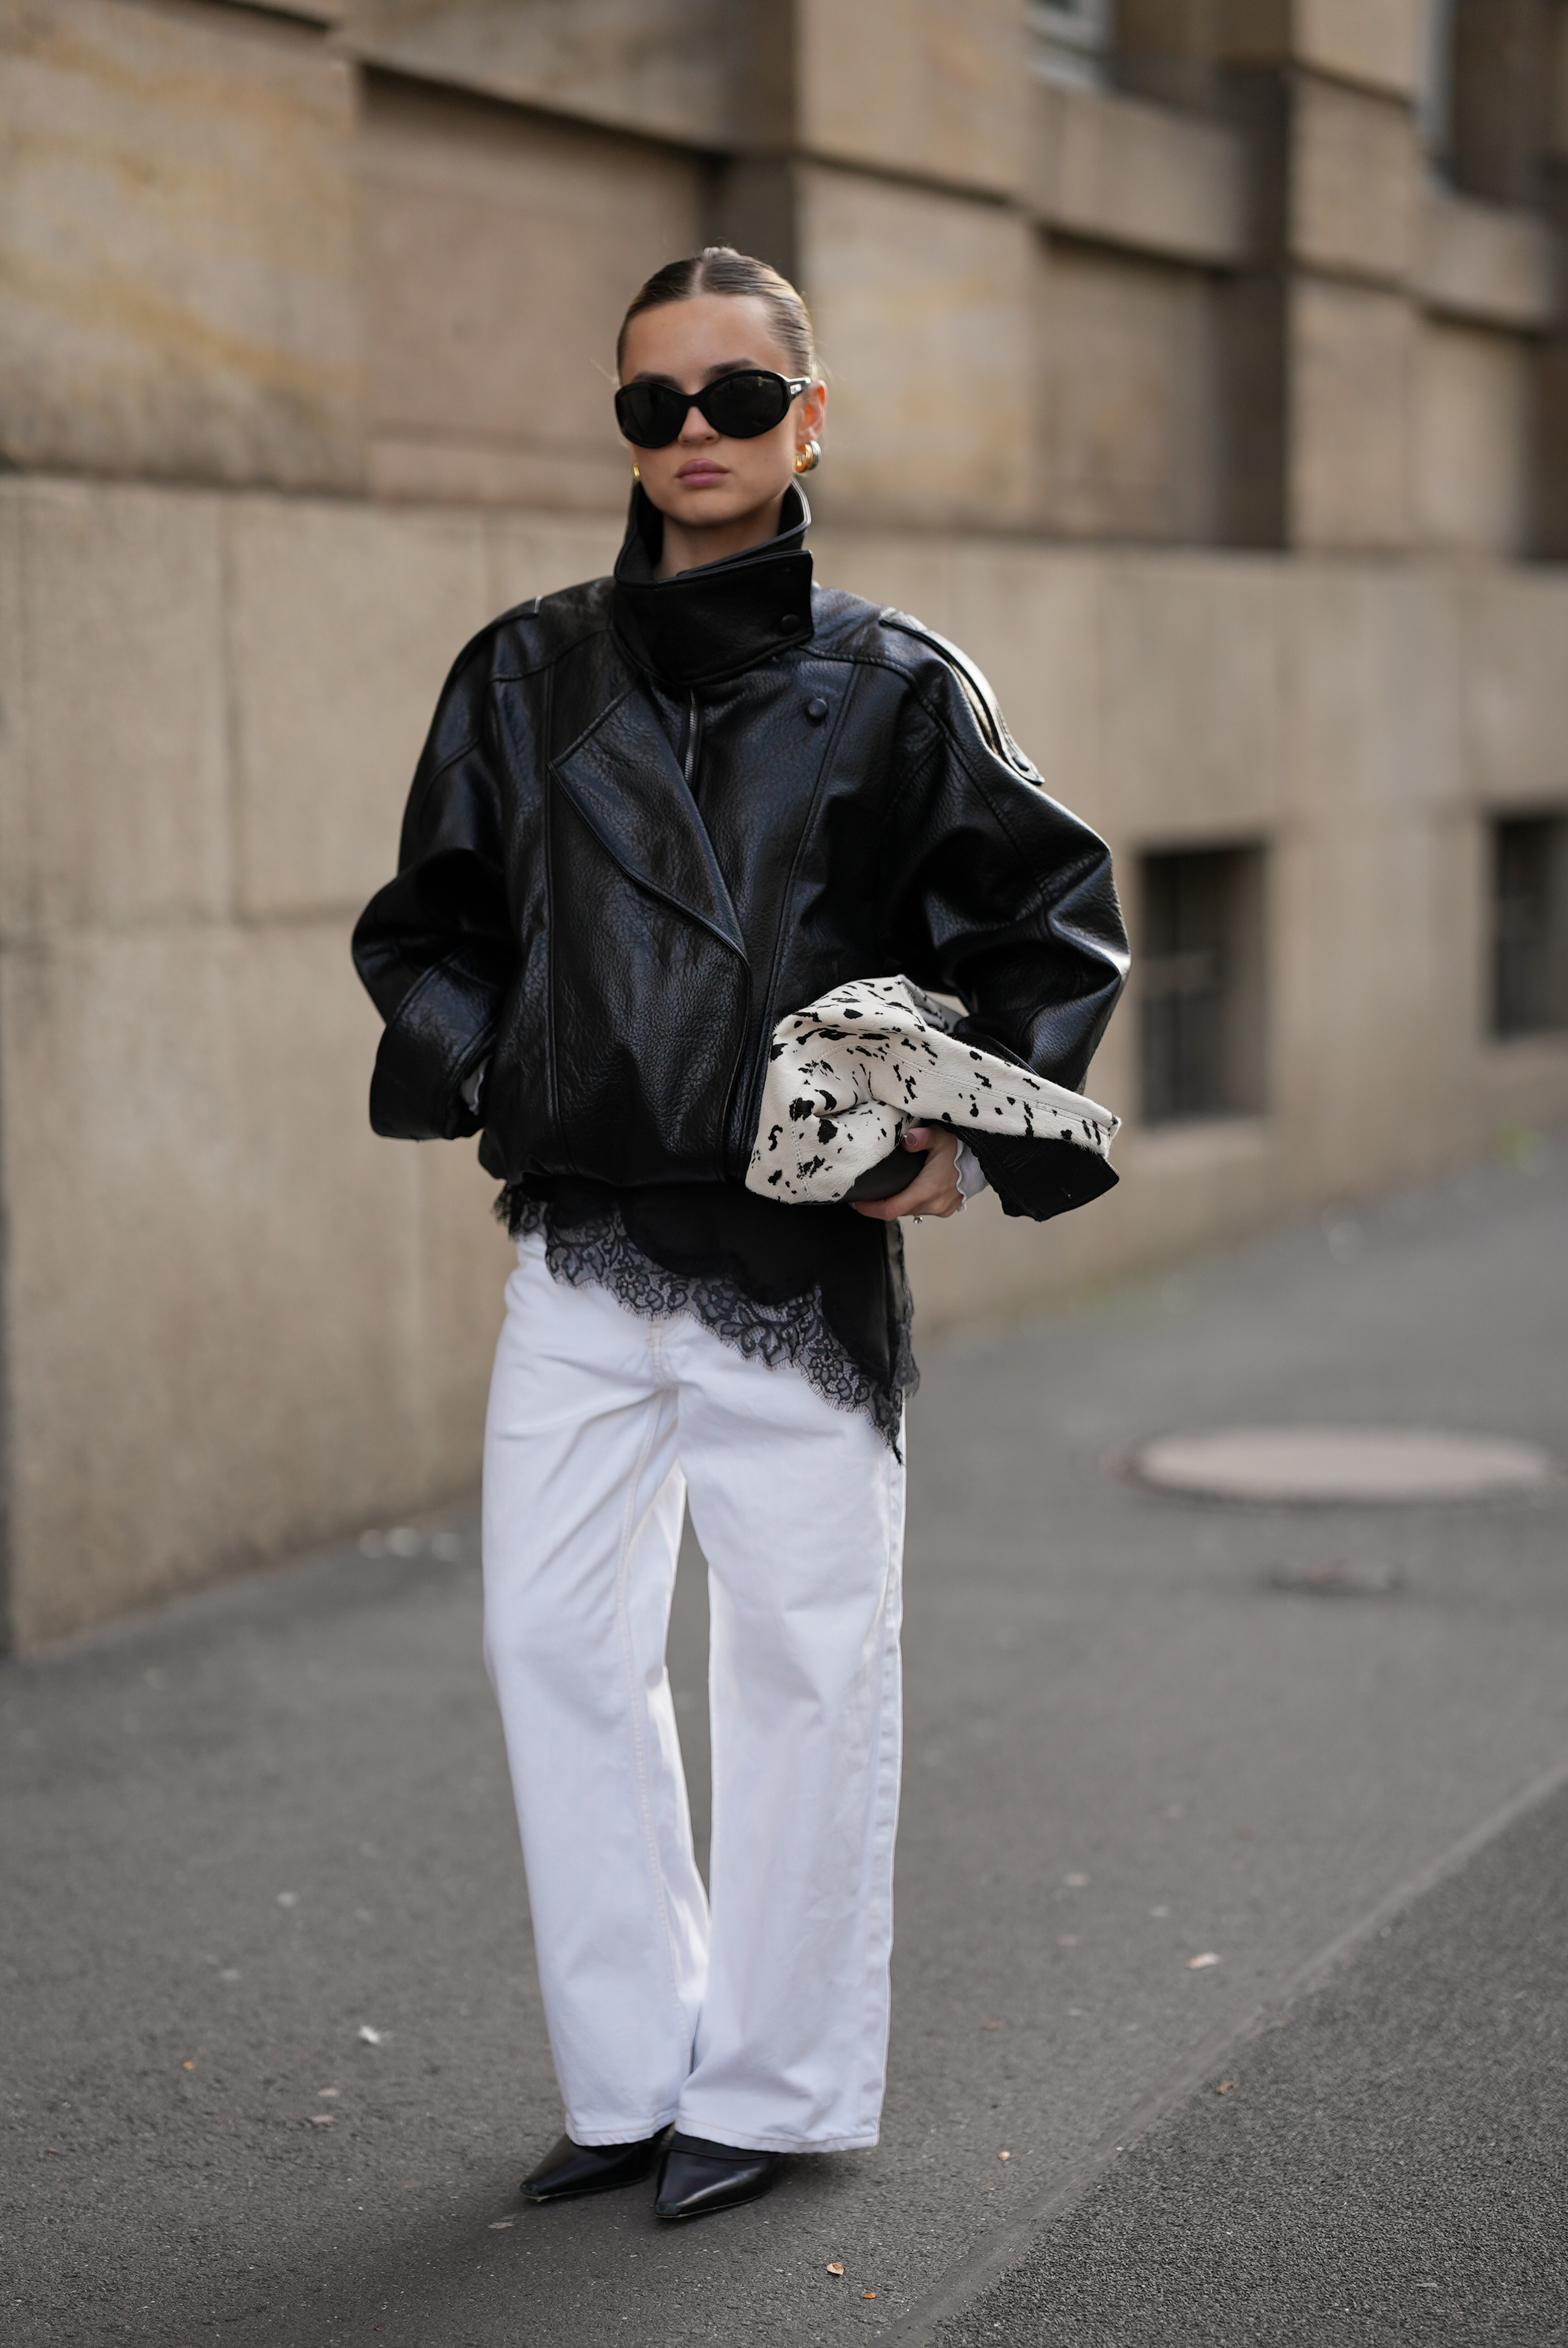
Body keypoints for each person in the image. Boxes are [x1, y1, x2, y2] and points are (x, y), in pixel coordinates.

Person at [352, 248, 1127, 2223]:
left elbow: (1054, 923)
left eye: (729, 395)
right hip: (588, 1235)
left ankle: (770, 2094)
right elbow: (423, 934)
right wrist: (495, 1061)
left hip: (793, 1266)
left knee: (800, 1669)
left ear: (810, 415)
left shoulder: (893, 685)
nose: (691, 434)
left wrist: (953, 1136)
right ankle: (629, 2076)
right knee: (559, 1648)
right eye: (649, 402)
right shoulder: (519, 671)